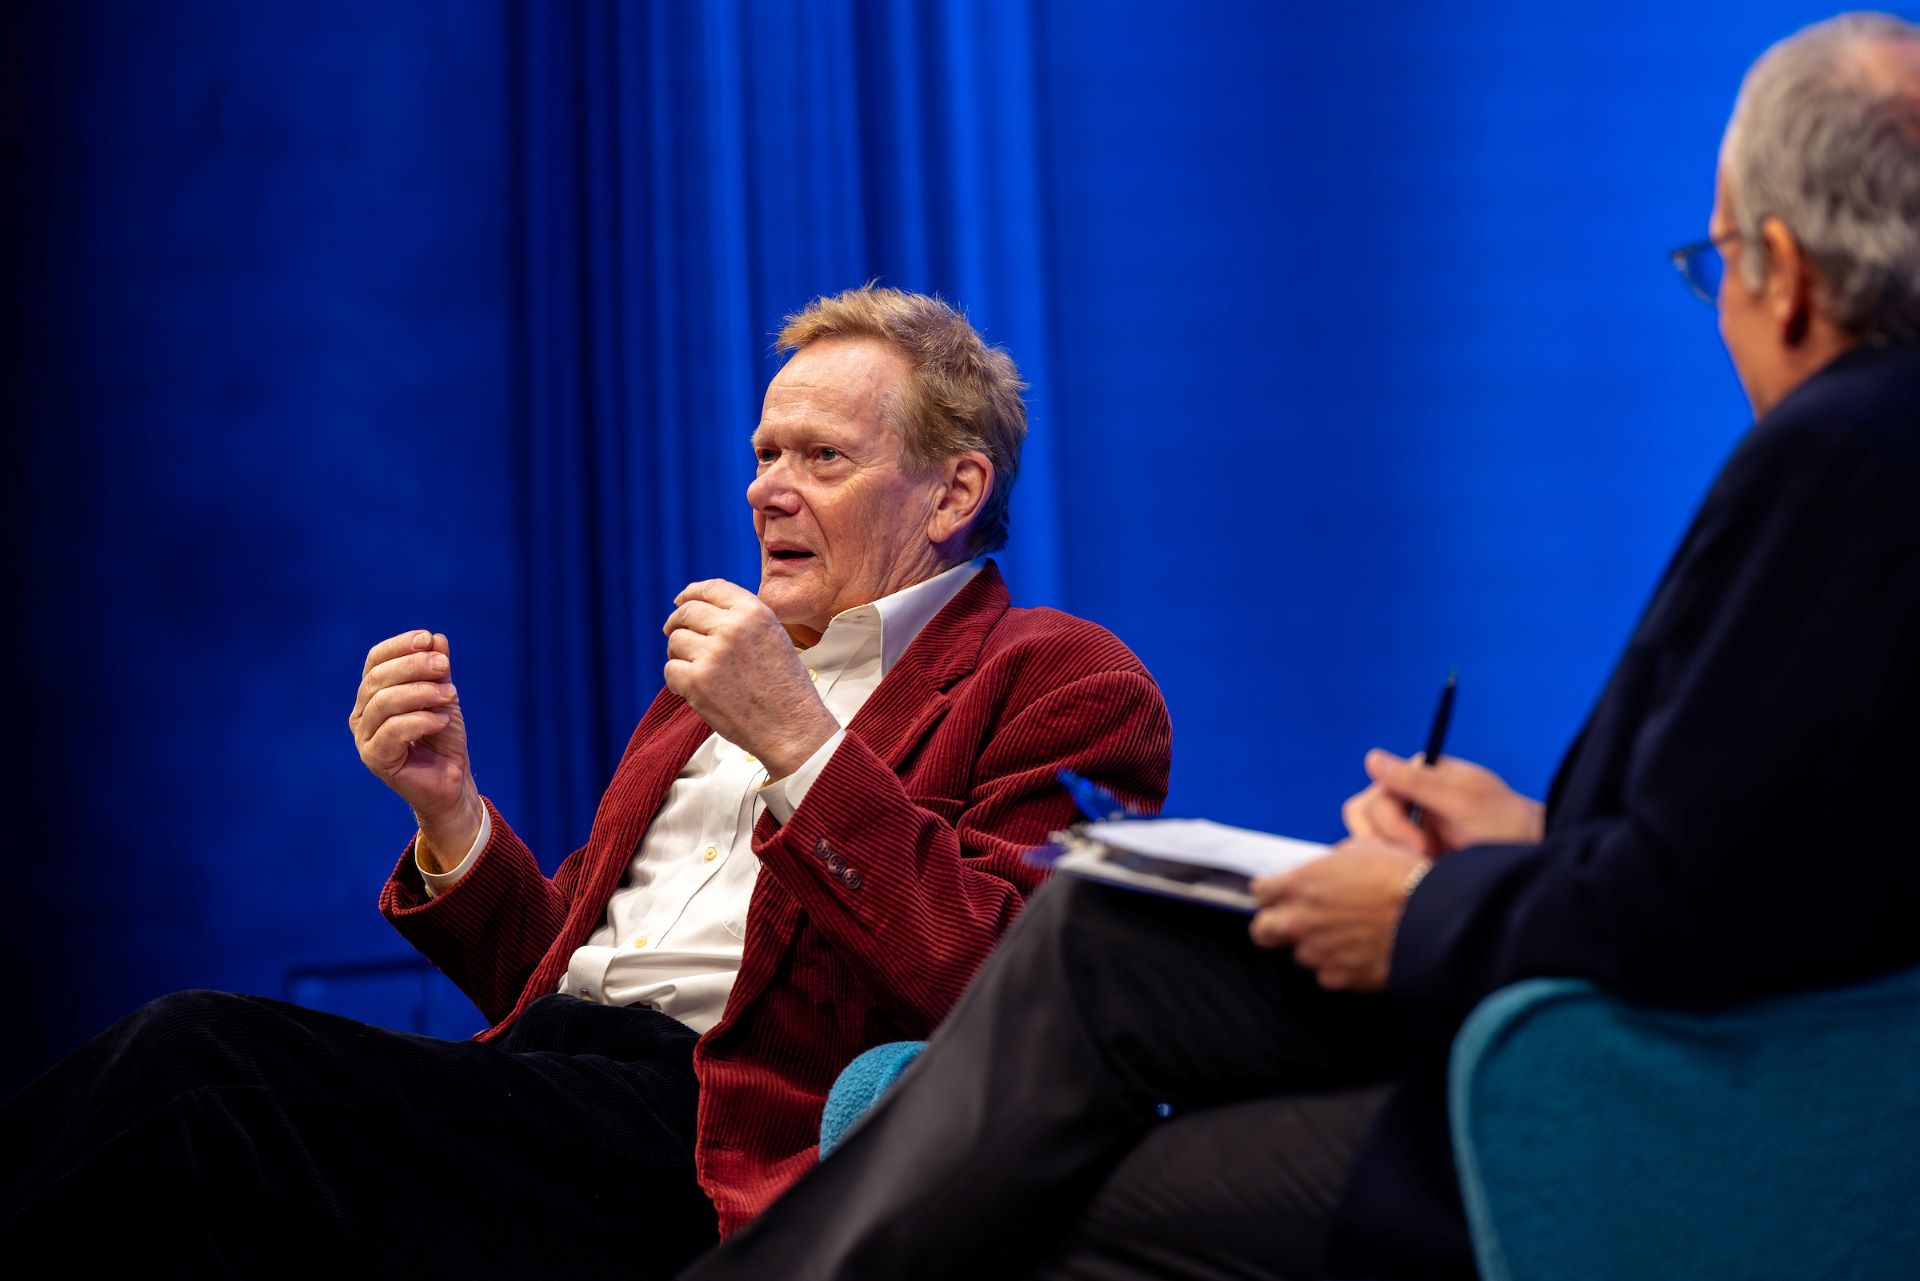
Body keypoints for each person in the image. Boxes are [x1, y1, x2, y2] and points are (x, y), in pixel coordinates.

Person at [679, 14, 1920, 1281]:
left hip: (1602, 1079)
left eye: (1714, 267)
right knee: (1097, 961)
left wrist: (1424, 906)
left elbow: (1704, 914)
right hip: (1586, 999)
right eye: (767, 454)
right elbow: (1790, 849)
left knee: (1066, 1102)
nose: (770, 488)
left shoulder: (1844, 454)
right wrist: (1529, 838)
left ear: (1788, 268)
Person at [0, 286, 1172, 1277]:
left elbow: (1010, 983)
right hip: (550, 1084)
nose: (769, 489)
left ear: (955, 494)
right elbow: (558, 968)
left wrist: (804, 750)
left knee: (199, 1069)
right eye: (765, 453)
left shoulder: (1060, 681)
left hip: (713, 1137)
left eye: (823, 458)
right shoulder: (711, 685)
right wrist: (452, 813)